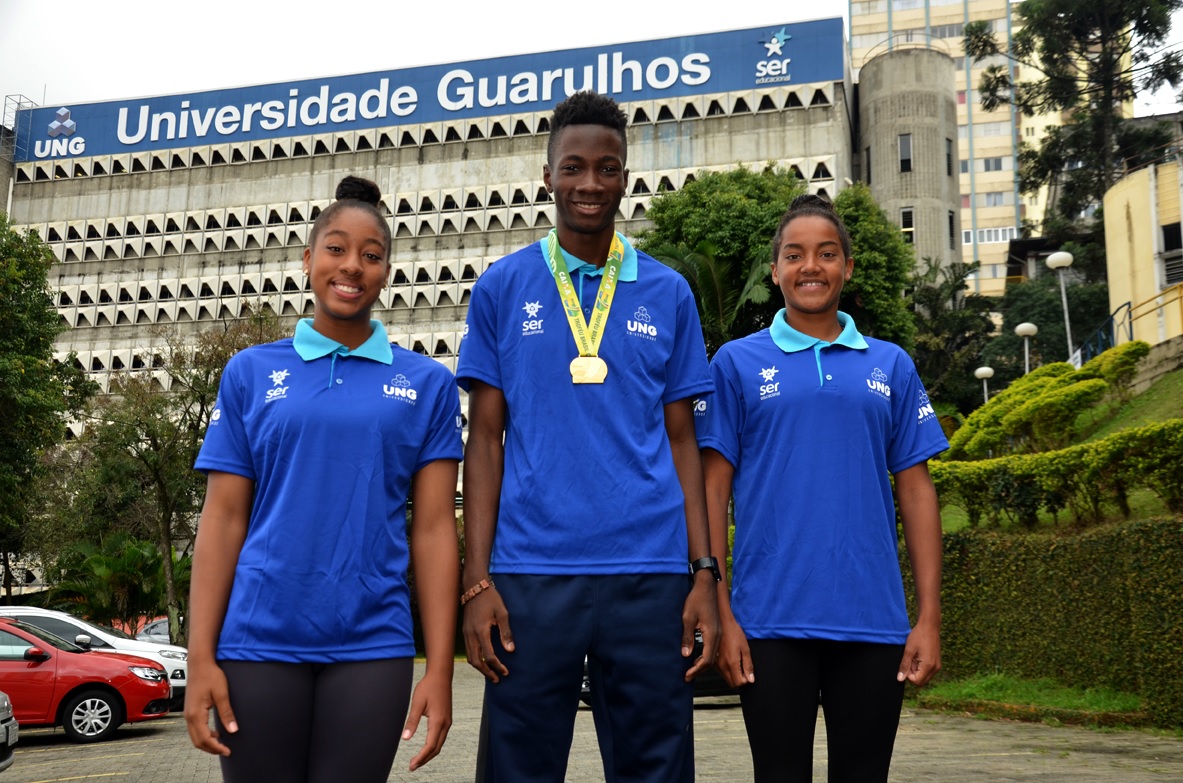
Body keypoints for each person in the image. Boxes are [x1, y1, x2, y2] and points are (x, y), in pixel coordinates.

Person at [455, 91, 720, 783]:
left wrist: (703, 574)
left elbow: (682, 441)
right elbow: (483, 442)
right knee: (518, 768)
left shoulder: (667, 292)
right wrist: (475, 580)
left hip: (650, 573)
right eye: (573, 167)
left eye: (607, 168)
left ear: (625, 175)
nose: (590, 184)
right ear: (547, 175)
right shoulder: (502, 287)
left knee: (655, 768)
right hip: (530, 575)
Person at [184, 176, 462, 782]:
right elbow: (224, 519)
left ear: (387, 270)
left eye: (371, 255)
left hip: (372, 642)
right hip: (257, 640)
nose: (351, 267)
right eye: (335, 248)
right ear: (308, 259)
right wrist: (199, 656)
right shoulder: (251, 371)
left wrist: (439, 668)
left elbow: (437, 529)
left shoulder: (428, 384)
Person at [696, 194, 947, 783]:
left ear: (848, 267)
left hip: (873, 622)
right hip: (767, 623)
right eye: (795, 254)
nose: (811, 266)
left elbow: (916, 491)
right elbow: (712, 492)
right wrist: (722, 610)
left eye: (827, 254)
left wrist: (928, 618)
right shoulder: (735, 363)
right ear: (776, 269)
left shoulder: (891, 366)